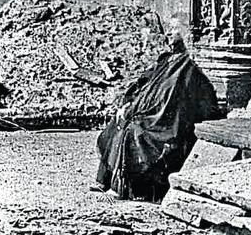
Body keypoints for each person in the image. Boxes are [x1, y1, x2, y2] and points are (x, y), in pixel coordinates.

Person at [95, 35, 222, 201]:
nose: (168, 40)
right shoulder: (165, 61)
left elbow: (172, 104)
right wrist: (129, 105)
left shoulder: (188, 70)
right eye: (168, 36)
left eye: (173, 36)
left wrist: (140, 112)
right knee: (119, 121)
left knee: (133, 131)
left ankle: (125, 188)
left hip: (169, 122)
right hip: (152, 113)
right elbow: (144, 86)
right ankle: (107, 179)